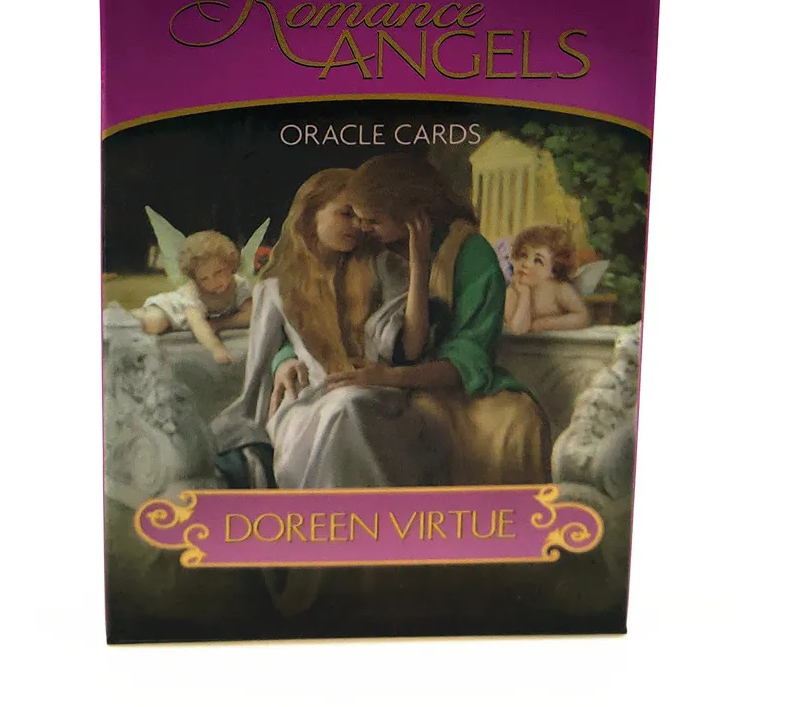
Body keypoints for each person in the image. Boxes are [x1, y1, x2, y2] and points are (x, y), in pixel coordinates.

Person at [210, 168, 448, 491]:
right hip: (307, 405)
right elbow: (260, 367)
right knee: (340, 407)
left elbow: (412, 347)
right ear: (310, 215)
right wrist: (283, 361)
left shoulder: (384, 268)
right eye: (346, 214)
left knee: (348, 404)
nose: (358, 226)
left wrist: (419, 266)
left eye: (361, 217)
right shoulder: (275, 287)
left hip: (380, 401)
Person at [321, 154, 552, 485]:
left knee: (518, 420)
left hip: (445, 383)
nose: (362, 227)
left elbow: (470, 354)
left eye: (373, 220)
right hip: (380, 379)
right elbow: (303, 302)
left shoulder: (471, 254)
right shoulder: (365, 251)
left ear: (412, 214)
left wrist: (392, 376)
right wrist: (284, 357)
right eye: (358, 218)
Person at [132, 231, 252, 364]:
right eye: (204, 278)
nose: (213, 282)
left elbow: (250, 315)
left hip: (190, 322)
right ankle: (120, 319)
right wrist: (216, 348)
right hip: (171, 310)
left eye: (218, 272)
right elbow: (197, 323)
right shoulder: (193, 291)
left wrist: (219, 323)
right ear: (195, 279)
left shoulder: (239, 285)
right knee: (155, 322)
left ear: (230, 265)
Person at [504, 224, 590, 335]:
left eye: (538, 260)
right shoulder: (512, 293)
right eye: (523, 255)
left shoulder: (559, 289)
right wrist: (524, 295)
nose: (526, 264)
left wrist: (546, 323)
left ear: (554, 270)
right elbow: (518, 329)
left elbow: (582, 317)